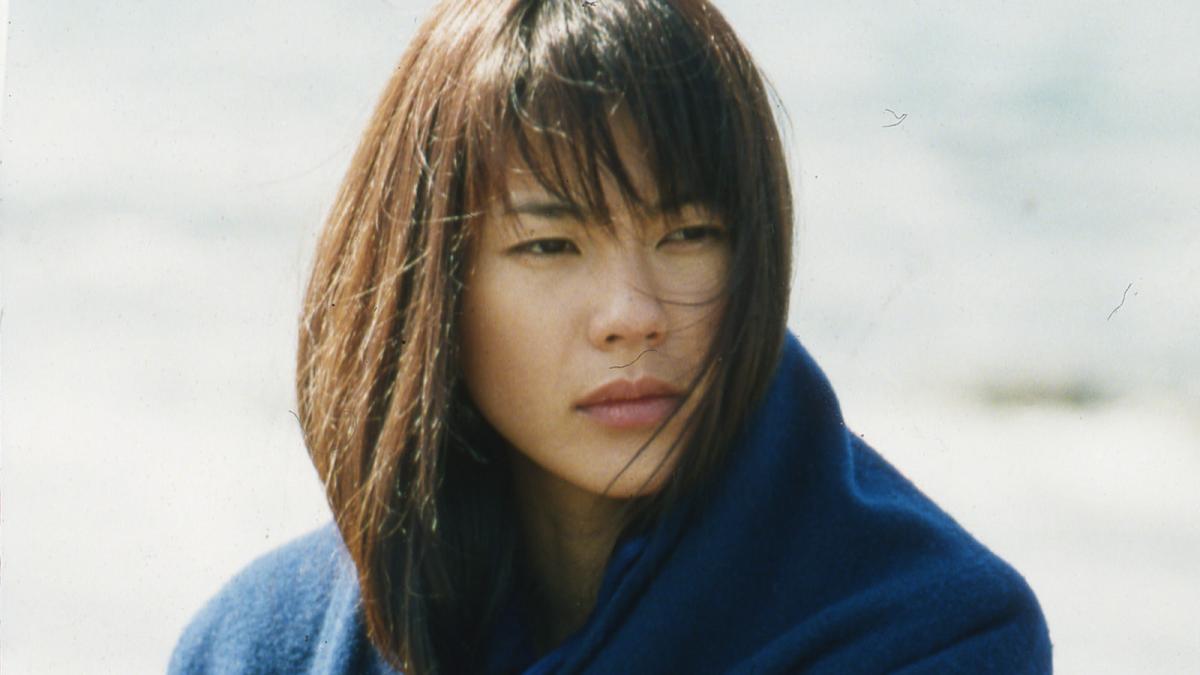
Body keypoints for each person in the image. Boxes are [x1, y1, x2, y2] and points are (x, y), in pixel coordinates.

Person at [170, 0, 1052, 672]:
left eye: (688, 233)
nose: (633, 311)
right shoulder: (258, 646)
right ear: (428, 286)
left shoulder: (930, 631)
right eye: (550, 244)